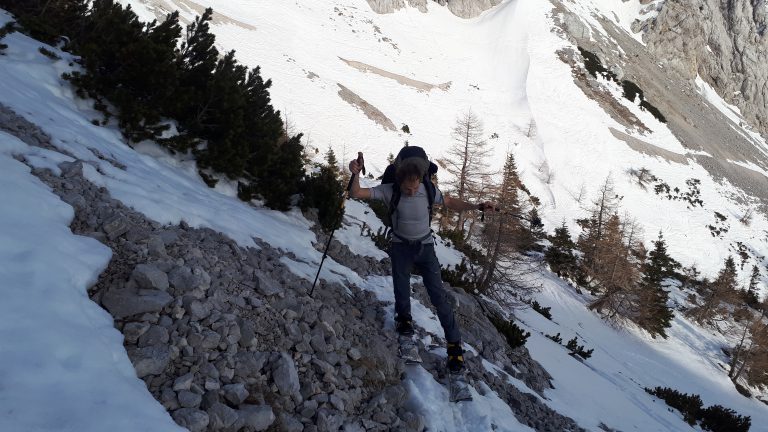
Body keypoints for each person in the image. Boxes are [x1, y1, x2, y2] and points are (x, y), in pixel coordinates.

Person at [348, 151, 496, 374]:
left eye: (415, 187)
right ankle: (404, 321)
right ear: (400, 181)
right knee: (401, 289)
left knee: (439, 296)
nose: (412, 191)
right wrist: (355, 173)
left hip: (425, 247)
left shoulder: (428, 190)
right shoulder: (390, 190)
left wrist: (476, 207)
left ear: (420, 180)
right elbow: (356, 192)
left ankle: (454, 345)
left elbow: (450, 202)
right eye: (408, 188)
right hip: (401, 246)